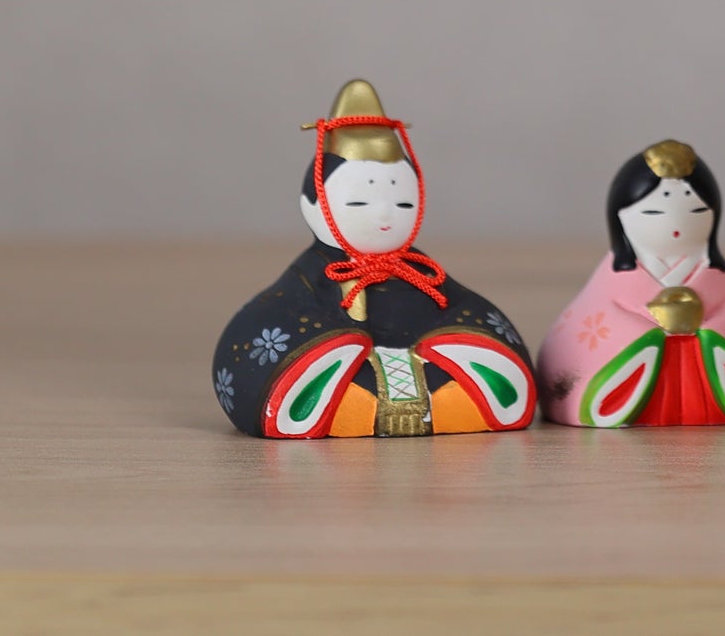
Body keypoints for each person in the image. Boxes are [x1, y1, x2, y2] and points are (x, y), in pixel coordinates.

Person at [211, 79, 535, 438]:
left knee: (480, 376)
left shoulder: (420, 270)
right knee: (322, 383)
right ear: (312, 206)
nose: (384, 216)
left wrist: (449, 342)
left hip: (427, 366)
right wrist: (345, 340)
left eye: (403, 204)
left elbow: (466, 309)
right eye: (358, 202)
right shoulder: (312, 277)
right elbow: (272, 321)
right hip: (352, 374)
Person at [537, 140, 725, 427]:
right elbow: (600, 314)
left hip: (705, 375)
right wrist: (646, 327)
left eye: (696, 212)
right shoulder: (612, 280)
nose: (676, 224)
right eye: (653, 213)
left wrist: (710, 325)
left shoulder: (717, 275)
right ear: (620, 218)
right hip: (642, 369)